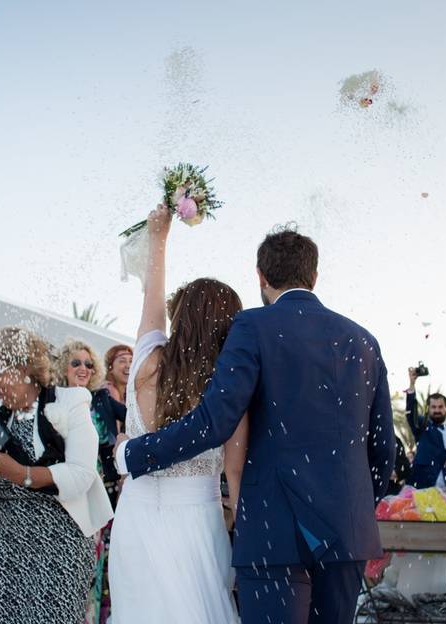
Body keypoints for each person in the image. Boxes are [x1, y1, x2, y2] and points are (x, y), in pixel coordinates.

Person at [115, 221, 396, 624]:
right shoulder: (363, 340)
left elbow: (215, 421)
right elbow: (382, 449)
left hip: (273, 530)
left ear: (261, 277)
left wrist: (133, 454)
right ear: (314, 276)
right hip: (346, 530)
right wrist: (352, 507)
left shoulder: (252, 326)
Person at [108, 205, 246, 623]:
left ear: (180, 318)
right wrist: (245, 540)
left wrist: (160, 237)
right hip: (198, 525)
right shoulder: (229, 388)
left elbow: (152, 294)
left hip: (134, 518)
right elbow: (236, 474)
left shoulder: (146, 360)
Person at [0, 326, 112, 624]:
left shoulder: (71, 403)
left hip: (59, 545)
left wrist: (21, 473)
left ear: (24, 368)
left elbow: (81, 474)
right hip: (3, 547)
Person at [55, 339, 124, 624]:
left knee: (90, 571)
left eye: (88, 364)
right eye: (76, 363)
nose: (83, 368)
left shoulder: (101, 399)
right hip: (60, 499)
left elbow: (136, 419)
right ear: (63, 367)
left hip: (95, 498)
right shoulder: (51, 399)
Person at [404, 369, 446, 497]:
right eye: (433, 407)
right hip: (423, 489)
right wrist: (412, 386)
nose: (437, 410)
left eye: (440, 407)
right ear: (428, 409)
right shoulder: (422, 427)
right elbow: (411, 414)